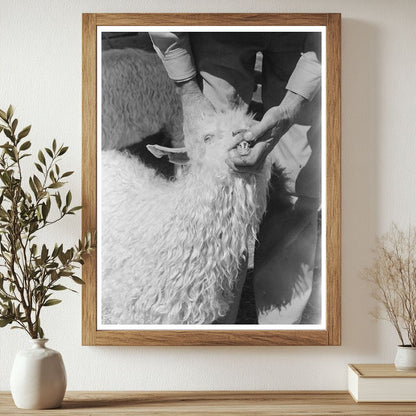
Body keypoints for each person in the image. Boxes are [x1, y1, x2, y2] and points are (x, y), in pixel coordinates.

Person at [149, 31, 322, 324]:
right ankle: (211, 319)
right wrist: (188, 90)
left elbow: (329, 34)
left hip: (302, 26)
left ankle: (281, 333)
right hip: (217, 22)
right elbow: (164, 16)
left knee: (296, 176)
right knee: (218, 176)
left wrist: (292, 105)